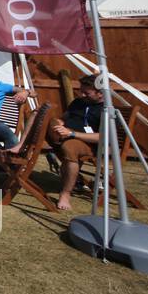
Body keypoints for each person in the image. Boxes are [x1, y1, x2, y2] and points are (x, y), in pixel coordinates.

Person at [51, 75, 105, 211]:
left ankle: (65, 193)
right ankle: (21, 149)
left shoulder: (106, 110)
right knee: (41, 118)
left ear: (100, 93)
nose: (82, 94)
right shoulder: (78, 103)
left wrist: (72, 134)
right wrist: (58, 124)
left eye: (87, 92)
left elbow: (103, 137)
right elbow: (64, 119)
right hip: (67, 135)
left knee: (69, 148)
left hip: (89, 144)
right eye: (81, 91)